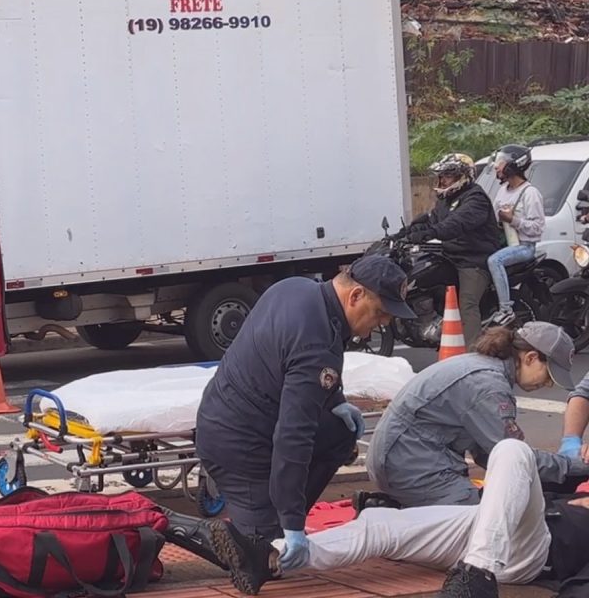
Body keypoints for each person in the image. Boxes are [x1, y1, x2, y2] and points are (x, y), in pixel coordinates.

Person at [194, 254, 415, 575]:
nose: (381, 324)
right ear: (355, 296)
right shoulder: (316, 340)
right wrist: (294, 523)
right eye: (380, 313)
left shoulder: (298, 291)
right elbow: (293, 437)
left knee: (340, 432)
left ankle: (266, 512)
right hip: (240, 445)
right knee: (263, 560)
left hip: (225, 419)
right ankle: (204, 525)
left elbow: (291, 365)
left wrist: (335, 399)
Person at [188, 439, 589, 598]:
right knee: (379, 524)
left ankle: (476, 581)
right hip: (491, 525)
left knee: (514, 450)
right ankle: (270, 558)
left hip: (537, 549)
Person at [367, 321, 589, 509]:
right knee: (490, 518)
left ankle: (394, 507)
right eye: (549, 375)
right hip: (410, 467)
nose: (548, 385)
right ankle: (391, 513)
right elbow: (514, 456)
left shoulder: (483, 367)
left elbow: (487, 453)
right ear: (531, 358)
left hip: (403, 460)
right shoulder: (489, 387)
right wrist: (574, 467)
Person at [399, 152, 504, 345]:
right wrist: (406, 233)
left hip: (473, 260)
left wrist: (430, 233)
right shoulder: (445, 200)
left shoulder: (476, 198)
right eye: (441, 175)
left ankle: (472, 353)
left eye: (447, 175)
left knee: (467, 304)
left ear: (462, 176)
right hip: (450, 255)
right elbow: (433, 220)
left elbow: (455, 224)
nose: (442, 180)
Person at [486, 144, 544, 327]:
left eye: (500, 163)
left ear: (513, 165)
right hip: (505, 243)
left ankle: (505, 309)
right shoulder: (503, 190)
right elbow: (493, 216)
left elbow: (537, 227)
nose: (496, 166)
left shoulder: (530, 193)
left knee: (494, 261)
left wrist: (513, 220)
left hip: (524, 246)